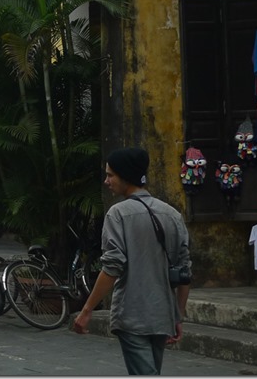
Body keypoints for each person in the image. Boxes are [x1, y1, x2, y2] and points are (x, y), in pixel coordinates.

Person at [73, 147, 192, 375]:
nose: (106, 181)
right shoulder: (172, 215)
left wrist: (87, 310)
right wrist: (177, 314)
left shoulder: (118, 214)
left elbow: (112, 268)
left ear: (125, 176)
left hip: (132, 313)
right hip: (162, 314)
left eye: (110, 175)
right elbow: (185, 271)